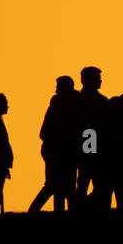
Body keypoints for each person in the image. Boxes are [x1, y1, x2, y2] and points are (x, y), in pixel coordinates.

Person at [29, 76, 80, 212]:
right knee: (61, 186)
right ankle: (34, 210)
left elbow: (43, 133)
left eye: (58, 86)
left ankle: (35, 210)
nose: (56, 89)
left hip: (60, 151)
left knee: (58, 186)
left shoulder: (57, 105)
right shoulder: (73, 104)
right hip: (62, 152)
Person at [74, 66, 108, 208]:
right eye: (98, 78)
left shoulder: (78, 100)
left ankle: (82, 207)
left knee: (89, 184)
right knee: (88, 183)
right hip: (91, 148)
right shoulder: (98, 101)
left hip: (91, 147)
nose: (100, 81)